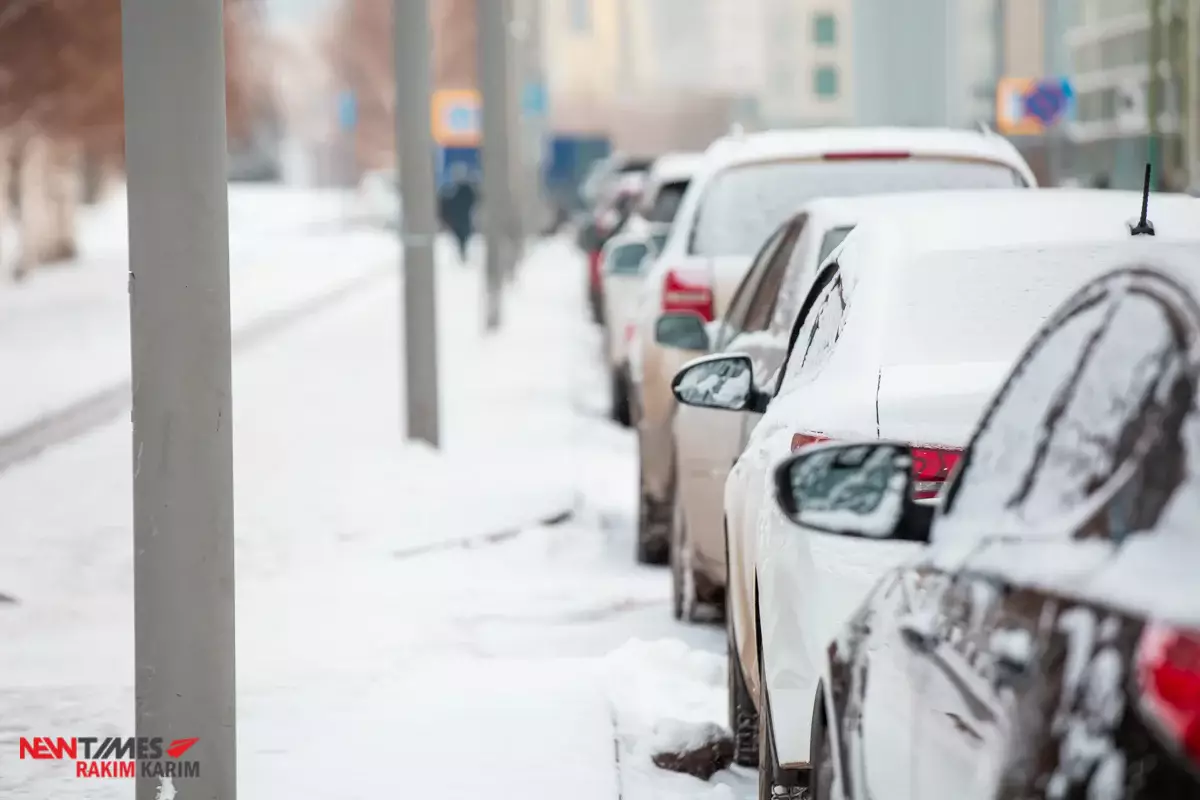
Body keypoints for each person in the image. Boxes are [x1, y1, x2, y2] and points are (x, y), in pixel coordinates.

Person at [438, 163, 478, 264]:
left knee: (462, 237)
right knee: (463, 236)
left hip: (460, 219)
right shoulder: (464, 190)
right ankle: (462, 253)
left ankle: (462, 252)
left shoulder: (460, 190)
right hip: (461, 219)